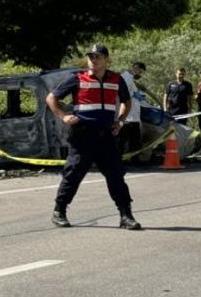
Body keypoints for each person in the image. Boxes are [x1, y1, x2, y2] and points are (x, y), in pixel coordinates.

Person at [46, 44, 140, 230]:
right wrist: (64, 116)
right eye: (91, 57)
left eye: (97, 57)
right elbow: (51, 98)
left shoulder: (116, 79)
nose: (93, 60)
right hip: (83, 136)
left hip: (106, 137)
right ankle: (59, 211)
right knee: (73, 175)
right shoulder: (77, 78)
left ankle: (126, 216)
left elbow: (127, 102)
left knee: (116, 176)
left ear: (107, 59)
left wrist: (120, 121)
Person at [119, 61, 147, 159]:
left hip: (134, 115)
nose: (140, 75)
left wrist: (139, 95)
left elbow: (133, 93)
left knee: (135, 139)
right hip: (127, 115)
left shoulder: (131, 79)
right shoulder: (125, 77)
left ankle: (134, 159)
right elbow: (123, 93)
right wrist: (135, 95)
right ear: (136, 68)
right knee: (122, 139)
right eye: (140, 72)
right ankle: (118, 159)